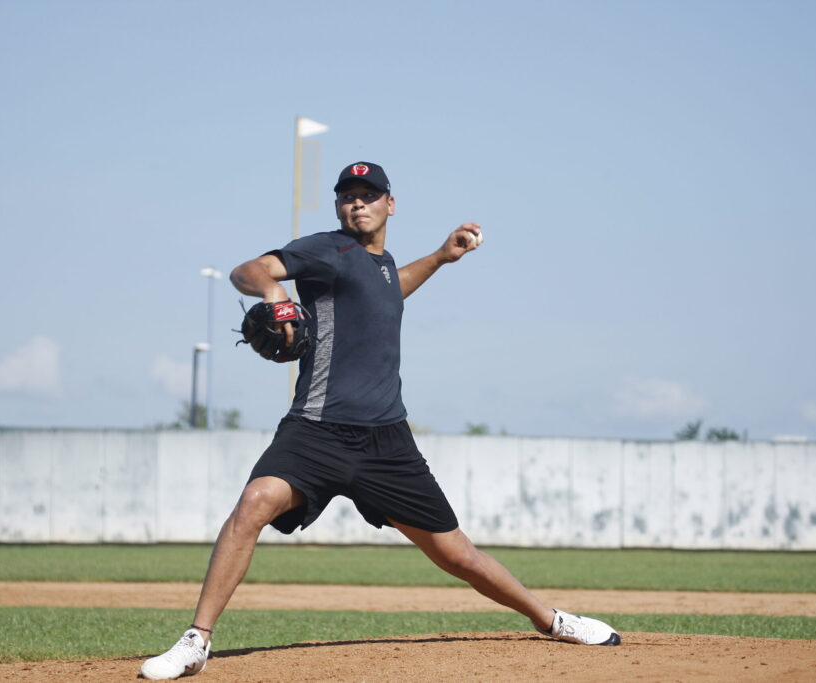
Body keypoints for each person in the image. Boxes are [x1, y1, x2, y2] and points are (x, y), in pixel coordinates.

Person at [140, 161, 620, 680]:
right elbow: (247, 271)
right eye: (348, 195)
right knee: (254, 502)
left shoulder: (383, 265)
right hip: (316, 430)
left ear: (390, 204)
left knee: (459, 556)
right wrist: (275, 293)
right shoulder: (326, 250)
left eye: (369, 194)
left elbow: (387, 292)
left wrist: (439, 257)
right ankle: (197, 641)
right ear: (339, 206)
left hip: (387, 441)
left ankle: (551, 620)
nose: (357, 203)